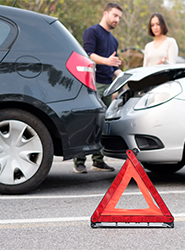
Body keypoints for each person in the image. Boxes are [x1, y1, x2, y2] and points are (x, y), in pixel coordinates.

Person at [73, 3, 123, 173]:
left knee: (102, 124)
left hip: (108, 86)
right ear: (105, 13)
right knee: (87, 122)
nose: (117, 20)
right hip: (91, 84)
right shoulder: (92, 32)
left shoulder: (114, 40)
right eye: (115, 15)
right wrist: (107, 61)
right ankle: (79, 161)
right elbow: (88, 55)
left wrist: (121, 74)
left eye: (119, 18)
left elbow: (113, 66)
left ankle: (98, 161)